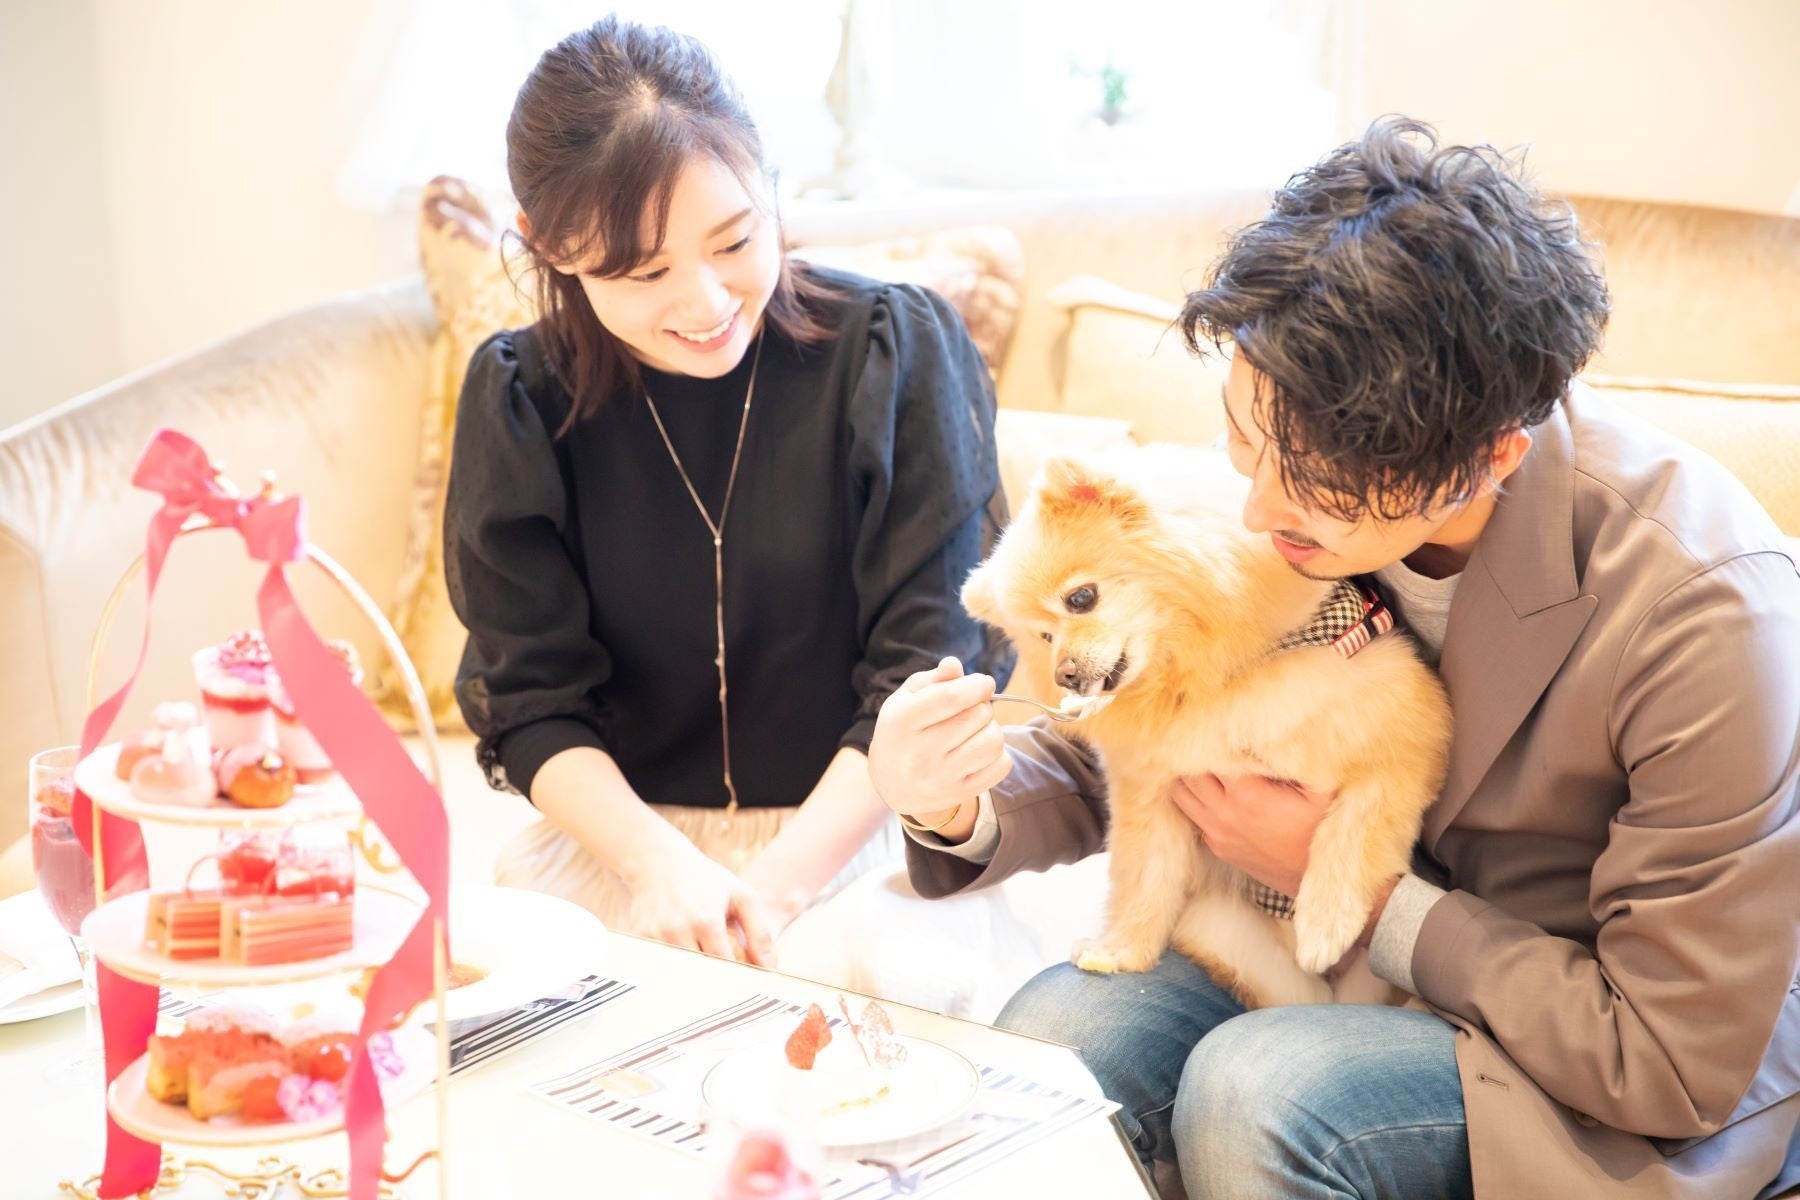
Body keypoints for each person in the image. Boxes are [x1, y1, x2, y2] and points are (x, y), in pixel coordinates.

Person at [868, 118, 1800, 1199]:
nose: (1259, 508)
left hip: (1582, 1049)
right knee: (1055, 1045)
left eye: (1312, 479)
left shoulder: (1705, 608)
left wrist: (1361, 888)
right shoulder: (1304, 475)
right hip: (1316, 961)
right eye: (1245, 436)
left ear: (1487, 457)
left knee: (1258, 1092)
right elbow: (1159, 730)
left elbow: (1669, 1058)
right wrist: (955, 803)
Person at [444, 17, 1010, 967]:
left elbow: (929, 669)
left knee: (873, 991)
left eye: (736, 239)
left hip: (858, 839)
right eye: (644, 271)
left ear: (767, 178)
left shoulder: (895, 354)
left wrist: (771, 895)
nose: (707, 304)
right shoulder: (520, 400)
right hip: (630, 853)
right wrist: (661, 869)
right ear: (550, 246)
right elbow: (530, 697)